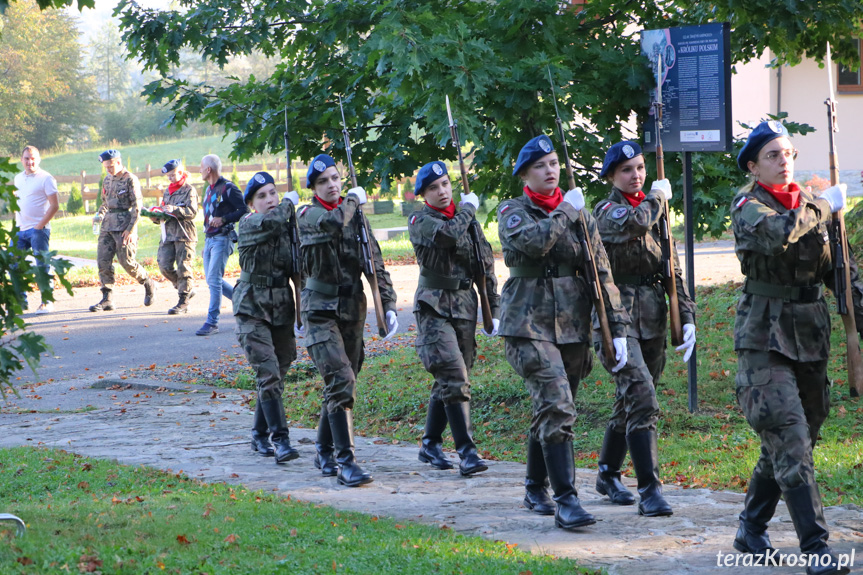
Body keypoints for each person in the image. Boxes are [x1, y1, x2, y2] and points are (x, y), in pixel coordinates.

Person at [730, 120, 858, 575]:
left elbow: (841, 273)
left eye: (788, 153)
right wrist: (825, 205)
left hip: (810, 338)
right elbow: (777, 233)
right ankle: (816, 548)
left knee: (793, 442)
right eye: (773, 155)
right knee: (791, 439)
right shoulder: (747, 206)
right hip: (764, 340)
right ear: (754, 165)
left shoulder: (812, 206)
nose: (784, 161)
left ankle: (750, 527)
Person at [497, 134, 629, 530]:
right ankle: (566, 500)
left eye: (554, 163)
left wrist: (617, 326)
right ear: (525, 174)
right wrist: (566, 213)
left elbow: (600, 270)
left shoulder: (580, 215)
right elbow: (534, 244)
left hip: (572, 325)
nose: (550, 171)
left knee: (554, 405)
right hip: (527, 324)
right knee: (557, 404)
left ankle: (534, 484)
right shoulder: (513, 211)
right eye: (540, 166)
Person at [589, 140, 696, 516]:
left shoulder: (656, 212)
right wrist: (657, 199)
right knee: (643, 397)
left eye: (640, 167)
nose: (636, 175)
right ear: (612, 177)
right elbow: (633, 224)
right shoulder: (606, 211)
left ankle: (606, 472)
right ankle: (650, 490)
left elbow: (672, 269)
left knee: (631, 399)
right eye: (627, 170)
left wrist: (686, 315)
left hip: (651, 316)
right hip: (615, 317)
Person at [297, 153, 398, 487]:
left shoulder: (356, 217)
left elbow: (375, 262)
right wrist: (353, 199)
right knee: (341, 379)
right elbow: (333, 223)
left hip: (352, 308)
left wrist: (388, 304)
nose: (332, 185)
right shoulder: (307, 214)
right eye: (324, 181)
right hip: (319, 310)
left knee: (345, 378)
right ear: (313, 187)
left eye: (336, 179)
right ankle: (347, 462)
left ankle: (323, 451)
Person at [408, 161, 500, 476]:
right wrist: (468, 212)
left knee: (450, 379)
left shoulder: (467, 222)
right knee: (455, 378)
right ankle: (467, 452)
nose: (443, 191)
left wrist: (494, 308)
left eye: (446, 184)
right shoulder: (420, 220)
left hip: (464, 307)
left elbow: (485, 265)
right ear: (424, 195)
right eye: (434, 188)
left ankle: (430, 443)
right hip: (434, 308)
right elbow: (446, 236)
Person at [233, 171, 302, 464]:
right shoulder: (249, 224)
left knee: (279, 370)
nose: (270, 199)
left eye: (273, 193)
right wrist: (289, 204)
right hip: (252, 307)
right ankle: (281, 441)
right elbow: (274, 222)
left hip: (281, 306)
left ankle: (259, 434)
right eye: (262, 196)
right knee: (268, 374)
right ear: (252, 204)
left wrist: (302, 309)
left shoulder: (287, 228)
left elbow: (299, 270)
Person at [90, 150, 155, 312]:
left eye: (110, 166)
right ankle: (107, 298)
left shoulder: (130, 179)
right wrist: (99, 216)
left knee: (127, 262)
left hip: (124, 225)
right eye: (106, 167)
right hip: (107, 226)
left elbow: (137, 206)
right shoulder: (107, 180)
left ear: (118, 162)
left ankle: (147, 282)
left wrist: (131, 230)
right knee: (103, 260)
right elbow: (105, 203)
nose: (108, 170)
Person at [196, 154, 247, 336]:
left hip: (222, 239)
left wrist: (224, 219)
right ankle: (241, 301)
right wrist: (206, 242)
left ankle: (212, 322)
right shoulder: (209, 189)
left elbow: (244, 210)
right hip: (210, 240)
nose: (199, 170)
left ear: (208, 169)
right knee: (211, 280)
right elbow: (209, 217)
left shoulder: (229, 188)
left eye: (201, 167)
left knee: (214, 280)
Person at [13, 145, 59, 314]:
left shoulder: (46, 178)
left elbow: (55, 206)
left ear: (38, 160)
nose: (29, 162)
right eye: (26, 158)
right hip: (20, 230)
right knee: (14, 264)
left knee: (42, 266)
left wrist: (39, 225)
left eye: (33, 158)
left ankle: (47, 301)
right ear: (21, 160)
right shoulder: (18, 178)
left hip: (39, 230)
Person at [152, 159, 198, 315]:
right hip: (168, 233)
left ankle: (183, 301)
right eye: (168, 176)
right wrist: (156, 216)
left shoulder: (189, 190)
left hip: (184, 234)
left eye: (173, 175)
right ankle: (185, 287)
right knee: (163, 265)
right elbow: (165, 210)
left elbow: (192, 212)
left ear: (180, 172)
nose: (170, 178)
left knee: (184, 266)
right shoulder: (167, 191)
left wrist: (175, 209)